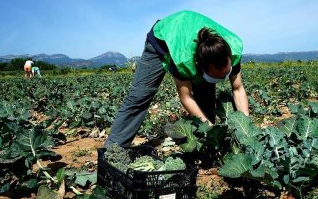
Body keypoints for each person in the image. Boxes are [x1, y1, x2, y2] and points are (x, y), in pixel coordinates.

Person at [106, 10, 249, 148]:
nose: (223, 78)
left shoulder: (233, 49)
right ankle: (113, 151)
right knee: (140, 95)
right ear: (198, 66)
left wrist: (245, 129)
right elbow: (186, 97)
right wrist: (211, 129)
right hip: (163, 38)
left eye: (225, 73)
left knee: (206, 96)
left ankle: (204, 145)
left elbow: (238, 89)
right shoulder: (183, 60)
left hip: (196, 45)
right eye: (216, 76)